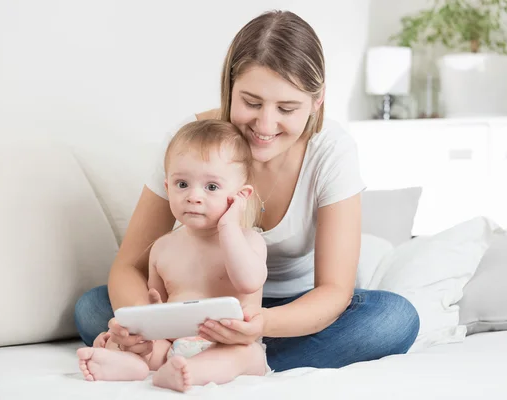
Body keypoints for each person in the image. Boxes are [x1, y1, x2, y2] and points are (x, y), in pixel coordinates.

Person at [74, 9, 420, 373]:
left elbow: (334, 291)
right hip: (199, 306)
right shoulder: (189, 142)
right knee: (92, 308)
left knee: (393, 318)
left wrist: (262, 324)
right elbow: (129, 266)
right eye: (251, 103)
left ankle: (221, 357)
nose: (265, 125)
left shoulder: (331, 151)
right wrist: (144, 328)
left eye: (287, 108)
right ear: (229, 88)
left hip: (292, 310)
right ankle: (210, 357)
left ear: (317, 101)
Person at [77, 120, 269, 392]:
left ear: (241, 196)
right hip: (175, 344)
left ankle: (190, 371)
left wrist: (229, 227)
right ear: (167, 188)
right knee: (133, 339)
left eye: (211, 187)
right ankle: (129, 364)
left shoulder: (250, 241)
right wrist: (144, 321)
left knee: (244, 355)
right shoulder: (163, 247)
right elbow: (159, 309)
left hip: (231, 343)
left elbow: (249, 282)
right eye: (182, 184)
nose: (193, 196)